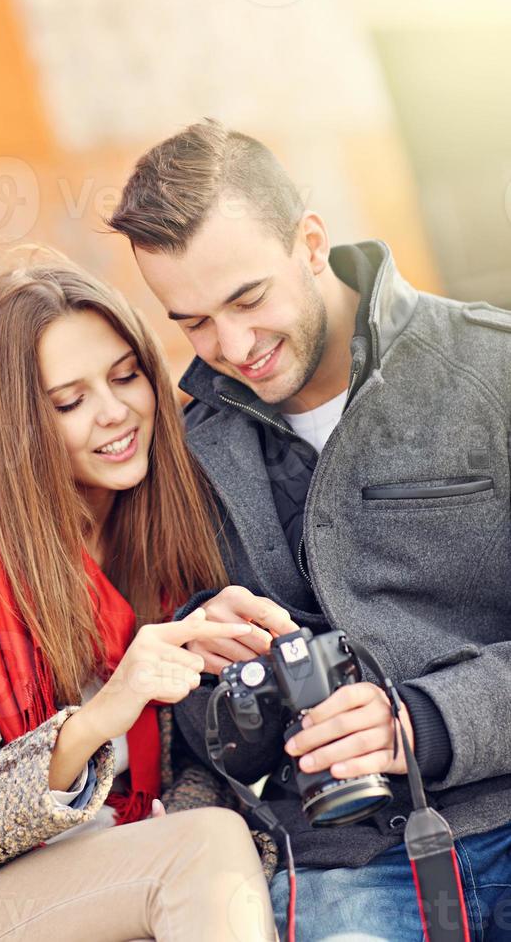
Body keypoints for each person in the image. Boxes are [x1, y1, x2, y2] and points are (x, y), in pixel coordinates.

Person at [108, 119, 511, 941]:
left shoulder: (491, 372)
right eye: (192, 322)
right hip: (341, 863)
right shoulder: (178, 459)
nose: (233, 346)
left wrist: (423, 723)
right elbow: (199, 736)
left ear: (312, 241)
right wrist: (218, 684)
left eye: (248, 298)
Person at [0, 255, 280, 942]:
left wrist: (231, 681)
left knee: (219, 847)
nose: (116, 413)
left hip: (135, 860)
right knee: (203, 850)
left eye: (125, 376)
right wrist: (112, 704)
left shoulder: (171, 510)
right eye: (69, 401)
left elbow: (197, 776)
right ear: (15, 422)